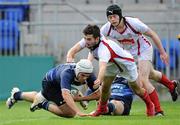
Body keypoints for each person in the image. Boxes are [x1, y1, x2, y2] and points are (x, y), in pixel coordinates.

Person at [100, 4, 180, 114]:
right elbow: (97, 42)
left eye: (114, 16)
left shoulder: (133, 23)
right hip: (128, 54)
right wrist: (91, 59)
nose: (112, 19)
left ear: (120, 15)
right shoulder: (107, 28)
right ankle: (171, 85)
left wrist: (162, 52)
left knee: (143, 79)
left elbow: (153, 34)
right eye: (109, 17)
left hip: (144, 50)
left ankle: (158, 110)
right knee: (151, 74)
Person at [66, 24, 155, 116]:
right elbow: (72, 52)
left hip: (126, 65)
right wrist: (69, 61)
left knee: (137, 89)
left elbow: (102, 67)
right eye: (85, 38)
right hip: (112, 64)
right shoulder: (88, 40)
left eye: (88, 39)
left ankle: (150, 104)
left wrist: (99, 80)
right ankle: (102, 109)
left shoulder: (103, 49)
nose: (86, 41)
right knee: (105, 88)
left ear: (96, 39)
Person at [6, 59, 98, 118]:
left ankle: (17, 94)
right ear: (78, 71)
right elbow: (65, 95)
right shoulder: (67, 74)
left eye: (87, 76)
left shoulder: (88, 74)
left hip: (58, 82)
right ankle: (42, 104)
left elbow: (100, 94)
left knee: (41, 95)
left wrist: (81, 99)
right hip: (50, 84)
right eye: (83, 75)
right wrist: (78, 111)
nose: (85, 78)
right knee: (70, 113)